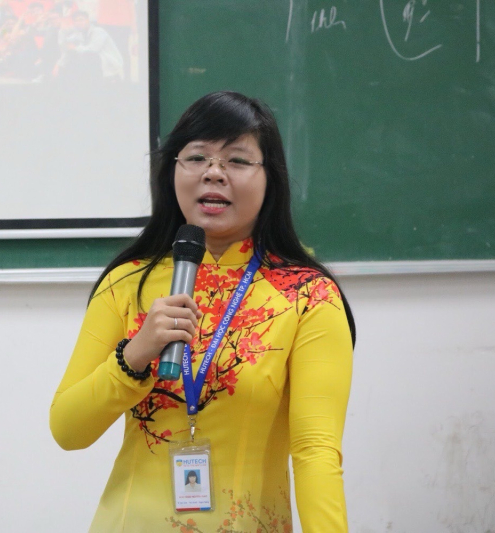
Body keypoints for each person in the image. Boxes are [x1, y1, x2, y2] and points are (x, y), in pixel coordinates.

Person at [50, 91, 355, 532]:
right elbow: (67, 430)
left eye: (237, 160)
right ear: (173, 171)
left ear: (270, 178)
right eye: (197, 157)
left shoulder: (307, 296)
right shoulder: (127, 283)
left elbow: (316, 451)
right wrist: (134, 356)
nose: (214, 172)